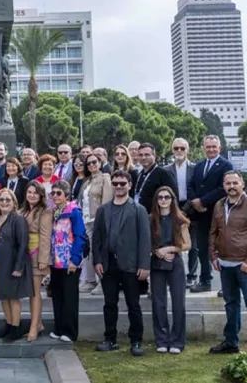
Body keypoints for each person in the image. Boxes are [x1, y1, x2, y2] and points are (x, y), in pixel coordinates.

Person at [208, 171, 247, 354]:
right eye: (228, 183)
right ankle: (231, 343)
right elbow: (213, 233)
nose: (232, 186)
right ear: (224, 186)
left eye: (235, 182)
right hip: (225, 266)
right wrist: (213, 256)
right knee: (231, 305)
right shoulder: (219, 205)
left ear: (242, 184)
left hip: (245, 267)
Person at [92, 171, 150, 356]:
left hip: (131, 265)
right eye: (115, 183)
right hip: (108, 264)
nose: (118, 186)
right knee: (110, 303)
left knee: (133, 304)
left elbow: (145, 240)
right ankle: (110, 339)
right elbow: (97, 238)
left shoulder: (138, 209)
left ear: (130, 185)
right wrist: (97, 260)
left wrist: (144, 265)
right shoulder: (103, 210)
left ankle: (136, 341)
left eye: (122, 183)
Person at [188, 135, 233, 293]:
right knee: (202, 248)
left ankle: (227, 286)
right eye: (208, 147)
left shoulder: (226, 165)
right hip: (200, 215)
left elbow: (224, 188)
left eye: (214, 146)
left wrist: (203, 201)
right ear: (204, 148)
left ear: (219, 148)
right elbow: (191, 185)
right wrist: (195, 201)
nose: (211, 149)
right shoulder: (199, 166)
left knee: (222, 249)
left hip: (218, 213)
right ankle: (205, 280)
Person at [149, 186, 191, 354]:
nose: (164, 200)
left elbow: (187, 244)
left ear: (172, 199)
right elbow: (146, 242)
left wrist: (170, 249)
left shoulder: (180, 219)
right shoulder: (150, 219)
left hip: (176, 264)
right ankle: (161, 339)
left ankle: (177, 341)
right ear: (156, 200)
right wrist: (158, 252)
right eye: (160, 197)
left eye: (167, 197)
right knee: (158, 303)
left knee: (178, 302)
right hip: (157, 263)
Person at [47, 180, 86, 343]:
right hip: (55, 262)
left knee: (70, 297)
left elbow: (80, 236)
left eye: (58, 193)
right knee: (57, 296)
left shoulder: (74, 211)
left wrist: (75, 259)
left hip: (69, 261)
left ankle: (70, 331)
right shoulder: (54, 211)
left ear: (66, 195)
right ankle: (59, 327)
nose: (55, 196)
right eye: (53, 193)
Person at [0, 188, 31, 343]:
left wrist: (18, 267)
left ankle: (15, 328)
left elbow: (23, 244)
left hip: (12, 263)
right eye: (1, 200)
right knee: (3, 296)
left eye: (8, 199)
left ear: (14, 202)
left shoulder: (18, 219)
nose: (4, 202)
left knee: (13, 297)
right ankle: (8, 325)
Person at [77, 153, 113, 295]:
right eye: (89, 163)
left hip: (98, 220)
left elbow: (107, 201)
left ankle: (102, 282)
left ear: (100, 162)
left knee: (99, 251)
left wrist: (103, 220)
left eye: (94, 162)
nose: (91, 165)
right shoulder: (87, 181)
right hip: (85, 220)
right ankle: (90, 280)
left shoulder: (105, 178)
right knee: (87, 250)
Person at [163, 138, 197, 287]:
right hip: (172, 208)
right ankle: (172, 274)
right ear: (172, 150)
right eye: (176, 148)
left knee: (193, 245)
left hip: (192, 209)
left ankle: (192, 275)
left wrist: (186, 209)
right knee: (172, 242)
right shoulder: (165, 170)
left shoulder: (195, 169)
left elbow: (196, 190)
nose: (179, 151)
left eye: (182, 148)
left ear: (187, 150)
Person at [20, 181, 51, 342]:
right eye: (29, 192)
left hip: (37, 255)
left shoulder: (44, 212)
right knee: (31, 292)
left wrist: (43, 259)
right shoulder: (23, 210)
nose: (31, 195)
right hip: (25, 255)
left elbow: (45, 236)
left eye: (35, 193)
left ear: (40, 195)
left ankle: (34, 327)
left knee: (35, 293)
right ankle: (38, 323)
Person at [133, 143, 178, 209]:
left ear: (154, 156)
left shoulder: (164, 174)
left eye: (147, 155)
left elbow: (174, 197)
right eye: (140, 155)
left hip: (156, 216)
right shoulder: (139, 174)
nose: (143, 157)